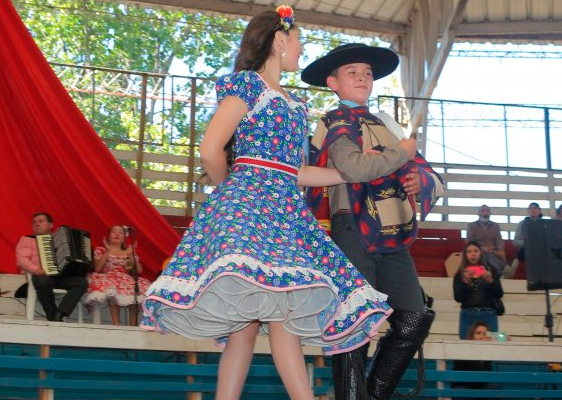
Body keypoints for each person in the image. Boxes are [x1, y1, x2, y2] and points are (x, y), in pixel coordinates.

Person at [140, 7, 392, 400]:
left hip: (285, 214)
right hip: (249, 208)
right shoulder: (249, 86)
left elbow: (294, 171)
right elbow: (211, 150)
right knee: (258, 321)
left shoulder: (293, 104)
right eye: (298, 40)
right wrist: (234, 193)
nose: (301, 47)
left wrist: (350, 173)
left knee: (274, 317)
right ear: (279, 39)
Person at [302, 42, 444, 400]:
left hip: (392, 231)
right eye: (353, 72)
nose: (363, 77)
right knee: (354, 319)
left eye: (367, 73)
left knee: (413, 316)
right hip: (352, 226)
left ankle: (369, 396)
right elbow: (353, 168)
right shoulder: (333, 121)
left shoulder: (387, 123)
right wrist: (401, 154)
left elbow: (433, 177)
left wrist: (419, 179)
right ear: (333, 83)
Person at [15, 212, 87, 322]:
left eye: (41, 221)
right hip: (43, 276)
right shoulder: (27, 240)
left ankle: (60, 313)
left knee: (81, 282)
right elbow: (21, 260)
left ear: (51, 225)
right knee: (41, 281)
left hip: (62, 277)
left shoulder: (61, 239)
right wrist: (36, 270)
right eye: (34, 222)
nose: (37, 224)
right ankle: (52, 315)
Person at [83, 225, 150, 325]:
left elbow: (137, 270)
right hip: (107, 276)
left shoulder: (127, 252)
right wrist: (108, 252)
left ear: (124, 238)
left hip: (125, 278)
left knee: (136, 288)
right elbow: (97, 268)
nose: (117, 234)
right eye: (114, 231)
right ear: (108, 236)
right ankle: (116, 323)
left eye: (120, 232)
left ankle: (133, 325)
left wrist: (130, 255)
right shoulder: (101, 250)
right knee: (112, 288)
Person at [453, 241, 504, 339]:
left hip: (488, 314)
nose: (473, 254)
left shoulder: (490, 270)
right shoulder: (460, 273)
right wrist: (465, 282)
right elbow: (458, 298)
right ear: (465, 255)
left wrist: (490, 281)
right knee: (465, 346)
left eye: (476, 251)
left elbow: (499, 294)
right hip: (468, 315)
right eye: (469, 252)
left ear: (480, 253)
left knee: (491, 346)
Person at [451, 321, 494, 400]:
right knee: (463, 392)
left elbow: (487, 377)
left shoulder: (487, 353)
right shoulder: (463, 350)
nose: (481, 337)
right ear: (472, 335)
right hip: (464, 386)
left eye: (484, 334)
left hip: (480, 387)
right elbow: (465, 378)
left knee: (494, 388)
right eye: (478, 333)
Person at [466, 205, 507, 275]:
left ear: (490, 214)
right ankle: (504, 269)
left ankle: (496, 272)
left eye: (487, 211)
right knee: (485, 255)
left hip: (493, 251)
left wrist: (500, 250)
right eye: (483, 211)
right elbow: (470, 242)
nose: (485, 213)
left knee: (492, 254)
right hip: (478, 250)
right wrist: (483, 249)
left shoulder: (495, 226)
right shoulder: (471, 226)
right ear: (478, 214)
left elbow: (499, 240)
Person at [508, 202, 543, 278]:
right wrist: (529, 243)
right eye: (530, 209)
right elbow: (515, 241)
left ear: (539, 211)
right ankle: (509, 273)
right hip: (525, 249)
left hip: (541, 250)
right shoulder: (522, 224)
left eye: (535, 208)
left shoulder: (545, 224)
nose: (533, 210)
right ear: (528, 211)